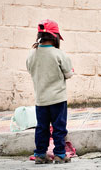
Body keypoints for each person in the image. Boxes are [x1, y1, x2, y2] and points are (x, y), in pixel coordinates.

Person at [26, 19, 74, 164]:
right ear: (56, 37)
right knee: (59, 127)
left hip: (41, 100)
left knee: (42, 128)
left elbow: (30, 70)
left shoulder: (32, 55)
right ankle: (60, 153)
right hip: (58, 99)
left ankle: (40, 154)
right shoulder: (59, 54)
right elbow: (68, 74)